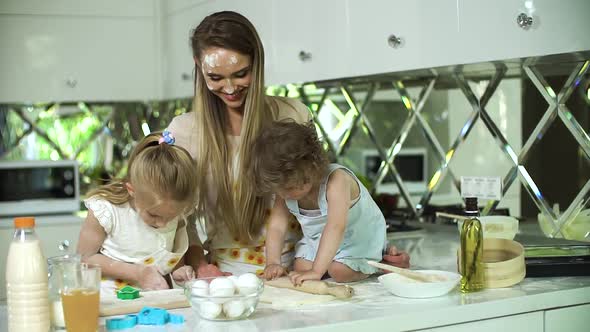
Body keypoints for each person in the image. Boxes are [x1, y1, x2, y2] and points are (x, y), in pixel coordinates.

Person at [167, 11, 410, 278]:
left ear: (257, 63)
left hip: (300, 270)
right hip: (225, 276)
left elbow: (328, 201)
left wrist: (373, 252)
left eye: (241, 74)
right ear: (198, 66)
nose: (229, 88)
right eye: (215, 77)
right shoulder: (184, 132)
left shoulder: (293, 115)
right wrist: (200, 266)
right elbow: (177, 219)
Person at [251, 120, 387, 284]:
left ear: (312, 169)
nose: (284, 194)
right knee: (300, 267)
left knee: (339, 271)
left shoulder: (337, 181)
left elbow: (336, 227)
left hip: (356, 240)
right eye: (279, 189)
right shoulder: (285, 189)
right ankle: (327, 265)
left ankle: (376, 265)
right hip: (320, 241)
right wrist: (273, 262)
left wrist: (317, 270)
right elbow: (277, 226)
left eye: (290, 187)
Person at [77, 131, 198, 294]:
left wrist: (178, 269)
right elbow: (84, 258)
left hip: (156, 299)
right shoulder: (107, 211)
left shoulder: (176, 211)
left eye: (171, 217)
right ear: (132, 190)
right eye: (153, 215)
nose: (162, 224)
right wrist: (137, 273)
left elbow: (166, 252)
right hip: (113, 299)